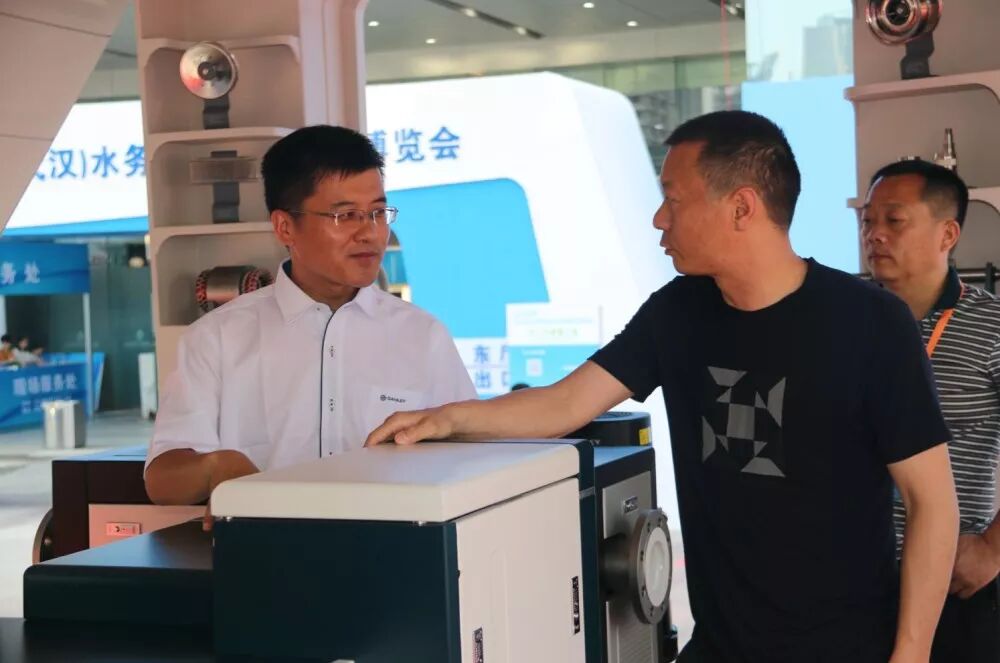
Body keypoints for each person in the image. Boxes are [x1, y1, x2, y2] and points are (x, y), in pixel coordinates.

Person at [367, 111, 960, 663]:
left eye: (673, 200)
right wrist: (448, 418)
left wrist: (911, 654)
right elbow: (565, 403)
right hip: (720, 646)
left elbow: (932, 503)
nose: (658, 219)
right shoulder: (678, 312)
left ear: (741, 207)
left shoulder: (870, 324)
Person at [144, 125, 476, 509]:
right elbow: (162, 479)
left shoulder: (422, 335)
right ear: (285, 227)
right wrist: (217, 467)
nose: (370, 233)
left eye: (377, 213)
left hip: (396, 541)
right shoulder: (217, 338)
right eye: (346, 215)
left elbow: (470, 459)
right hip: (265, 543)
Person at [862, 159, 1000, 662]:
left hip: (951, 583)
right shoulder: (847, 322)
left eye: (894, 220)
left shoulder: (991, 326)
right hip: (849, 579)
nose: (874, 234)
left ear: (948, 234)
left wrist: (992, 549)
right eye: (868, 220)